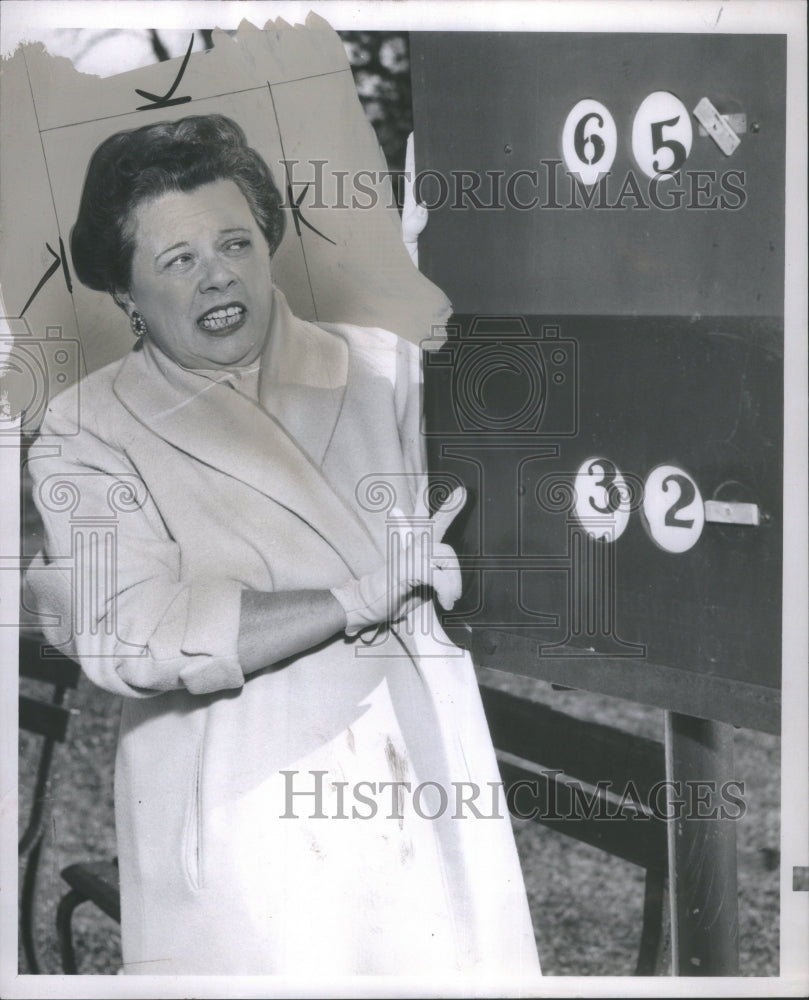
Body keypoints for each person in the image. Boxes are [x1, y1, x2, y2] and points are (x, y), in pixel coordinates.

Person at [25, 114, 541, 979]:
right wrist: (353, 600)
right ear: (124, 292)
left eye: (235, 242)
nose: (217, 274)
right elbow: (130, 632)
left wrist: (448, 255)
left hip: (422, 791)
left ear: (268, 245)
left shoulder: (381, 365)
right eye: (177, 259)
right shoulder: (87, 430)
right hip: (244, 819)